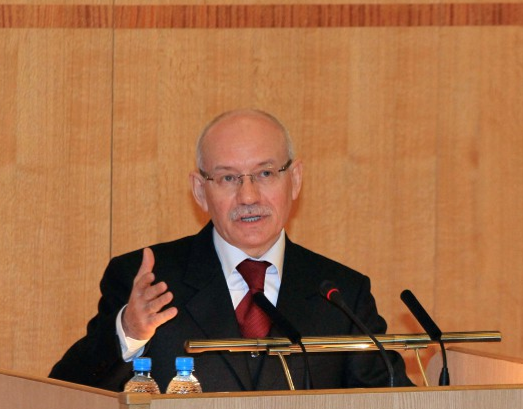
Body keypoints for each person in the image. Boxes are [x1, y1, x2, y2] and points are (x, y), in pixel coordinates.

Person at [50, 109, 411, 392]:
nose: (248, 196)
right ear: (200, 190)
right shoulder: (147, 281)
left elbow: (391, 408)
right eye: (227, 178)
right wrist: (129, 331)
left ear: (295, 179)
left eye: (265, 174)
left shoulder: (341, 295)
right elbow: (69, 391)